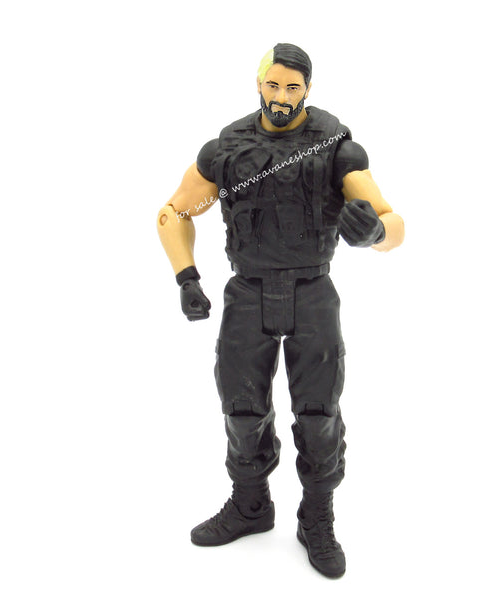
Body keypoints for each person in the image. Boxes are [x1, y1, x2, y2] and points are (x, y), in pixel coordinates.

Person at [157, 43, 404, 578]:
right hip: (247, 291)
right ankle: (251, 504)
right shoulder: (227, 149)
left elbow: (392, 221)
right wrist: (186, 277)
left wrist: (374, 232)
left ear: (308, 90)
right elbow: (175, 210)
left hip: (313, 291)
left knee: (319, 412)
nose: (283, 96)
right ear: (259, 84)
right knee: (240, 405)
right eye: (274, 84)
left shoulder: (334, 148)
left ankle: (317, 516)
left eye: (294, 87)